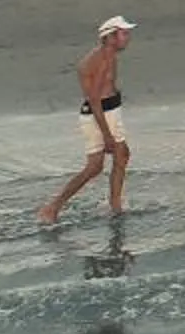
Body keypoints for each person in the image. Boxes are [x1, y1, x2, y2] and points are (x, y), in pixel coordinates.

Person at [39, 16, 135, 224]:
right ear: (110, 37)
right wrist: (107, 135)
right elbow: (94, 100)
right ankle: (52, 207)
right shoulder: (99, 61)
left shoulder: (110, 56)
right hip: (99, 114)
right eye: (124, 34)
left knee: (122, 155)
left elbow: (109, 87)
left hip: (110, 111)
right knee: (95, 167)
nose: (128, 38)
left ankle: (115, 204)